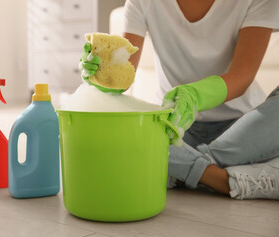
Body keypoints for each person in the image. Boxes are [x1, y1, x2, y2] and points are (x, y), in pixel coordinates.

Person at [79, 0, 279, 200]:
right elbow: (123, 74)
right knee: (112, 128)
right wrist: (100, 74)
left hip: (244, 129)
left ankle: (185, 168)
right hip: (174, 127)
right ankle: (223, 179)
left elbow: (243, 74)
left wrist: (196, 95)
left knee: (127, 156)